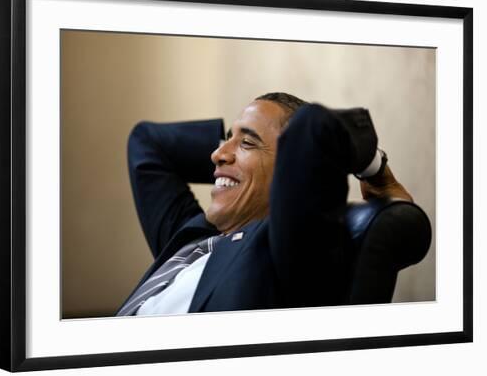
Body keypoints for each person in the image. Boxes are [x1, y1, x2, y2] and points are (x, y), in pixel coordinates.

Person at [115, 92, 412, 316]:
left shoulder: (283, 252)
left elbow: (315, 127)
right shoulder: (192, 236)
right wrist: (235, 151)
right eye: (226, 139)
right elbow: (147, 142)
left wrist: (374, 169)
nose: (216, 154)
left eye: (248, 142)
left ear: (290, 172)